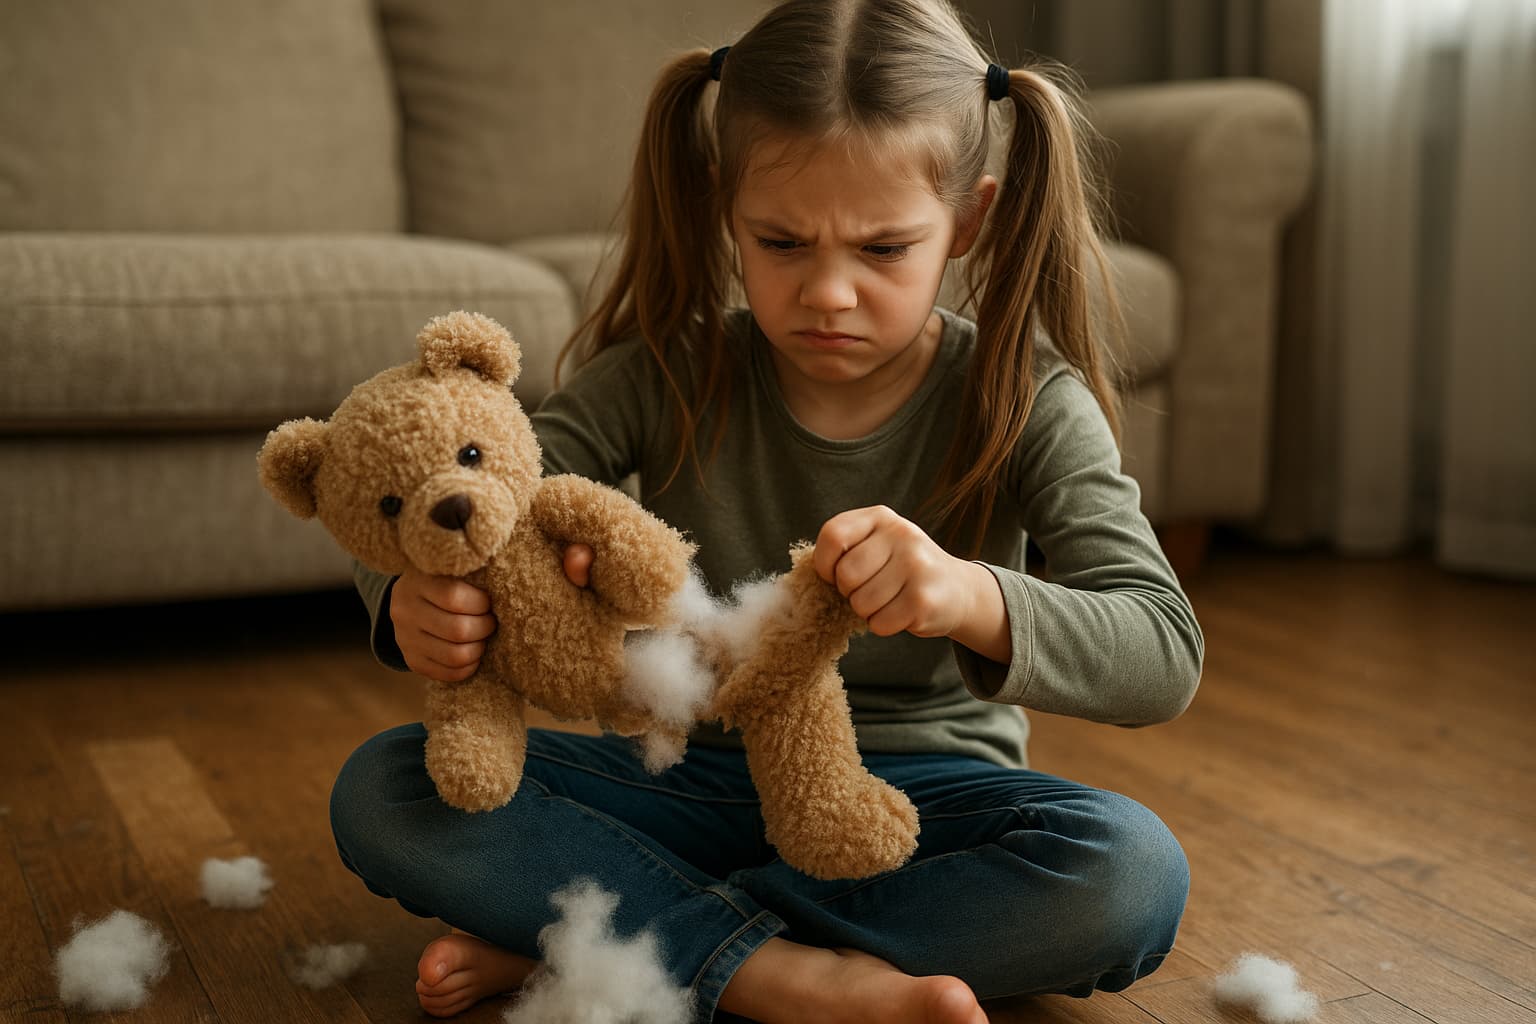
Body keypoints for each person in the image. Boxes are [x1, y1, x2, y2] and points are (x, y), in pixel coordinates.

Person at [332, 1, 1203, 1021]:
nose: (828, 292)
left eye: (884, 248)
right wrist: (406, 597)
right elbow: (454, 499)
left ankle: (611, 935)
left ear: (968, 222)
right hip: (675, 778)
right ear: (725, 206)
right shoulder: (662, 373)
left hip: (916, 805)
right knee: (387, 786)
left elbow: (1162, 650)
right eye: (782, 241)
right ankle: (777, 972)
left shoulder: (1028, 400)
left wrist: (971, 595)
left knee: (1131, 871)